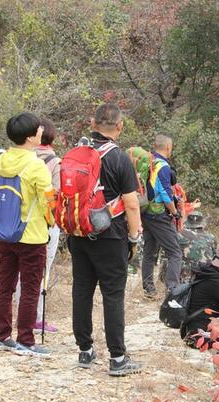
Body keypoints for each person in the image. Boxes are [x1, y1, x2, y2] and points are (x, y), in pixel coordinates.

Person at [68, 103, 142, 376]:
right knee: (112, 293)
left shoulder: (76, 153)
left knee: (82, 290)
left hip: (78, 232)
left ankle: (85, 351)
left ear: (93, 122)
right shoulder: (119, 158)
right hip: (110, 235)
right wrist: (134, 238)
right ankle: (118, 358)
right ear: (120, 127)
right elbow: (132, 204)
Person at [0, 112, 56, 356]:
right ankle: (25, 340)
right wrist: (51, 222)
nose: (41, 133)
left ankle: (0, 335)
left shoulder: (3, 160)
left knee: (5, 285)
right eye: (38, 130)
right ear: (30, 137)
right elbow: (48, 201)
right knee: (29, 288)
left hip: (6, 232)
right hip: (32, 235)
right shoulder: (36, 165)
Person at [15, 117, 62, 334]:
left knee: (18, 273)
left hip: (17, 220)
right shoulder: (55, 162)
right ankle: (36, 319)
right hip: (43, 224)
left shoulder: (21, 158)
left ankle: (19, 314)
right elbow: (55, 196)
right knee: (42, 272)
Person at [141, 134, 183, 298]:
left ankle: (148, 289)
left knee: (149, 252)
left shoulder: (149, 162)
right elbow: (166, 194)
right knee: (175, 252)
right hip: (159, 214)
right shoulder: (163, 166)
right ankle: (173, 290)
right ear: (168, 148)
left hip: (146, 212)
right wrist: (174, 212)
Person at [180, 211, 216, 282]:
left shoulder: (179, 235)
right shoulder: (211, 237)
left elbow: (169, 257)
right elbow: (216, 256)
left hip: (184, 277)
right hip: (206, 276)